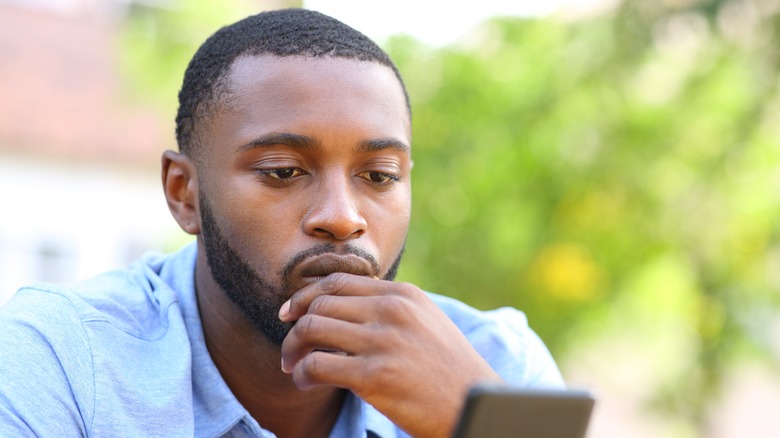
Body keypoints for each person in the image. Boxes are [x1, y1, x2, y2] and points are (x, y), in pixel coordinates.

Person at [0, 8, 563, 438]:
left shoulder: (497, 361)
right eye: (284, 171)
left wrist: (477, 422)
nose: (342, 218)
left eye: (379, 176)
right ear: (184, 193)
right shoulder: (63, 361)